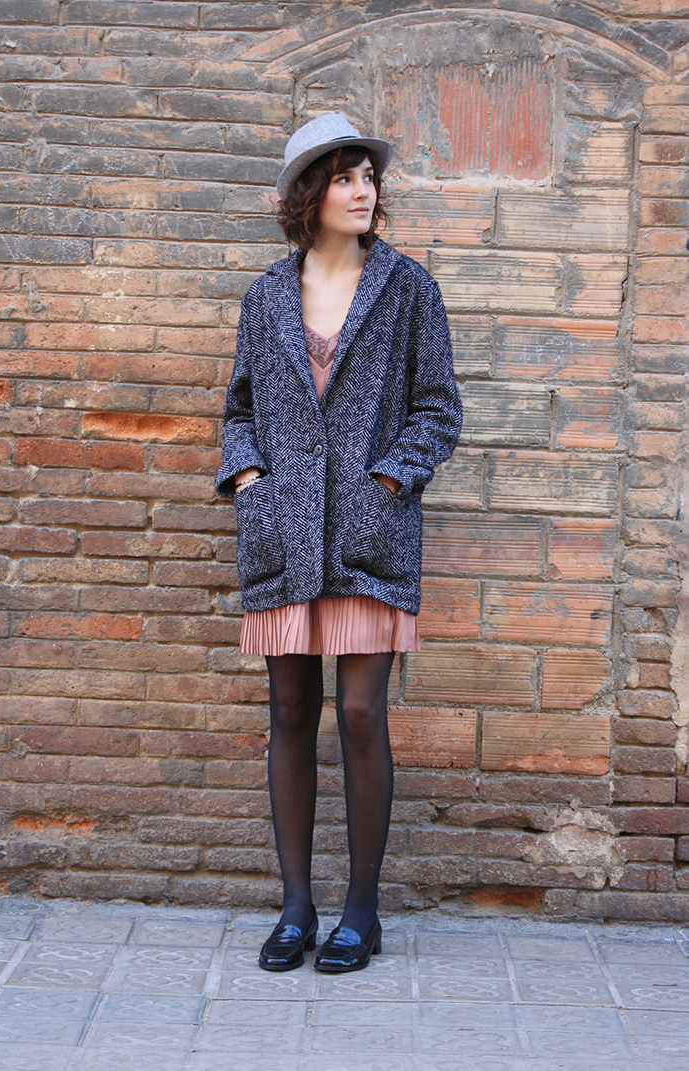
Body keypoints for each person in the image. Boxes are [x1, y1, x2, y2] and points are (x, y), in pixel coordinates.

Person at [215, 113, 462, 973]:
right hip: (283, 535)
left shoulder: (408, 289)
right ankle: (295, 906)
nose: (364, 190)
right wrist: (253, 482)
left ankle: (362, 910)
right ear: (308, 194)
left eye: (368, 176)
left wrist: (386, 483)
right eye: (345, 177)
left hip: (369, 536)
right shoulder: (265, 298)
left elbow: (438, 409)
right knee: (289, 711)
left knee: (360, 712)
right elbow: (239, 410)